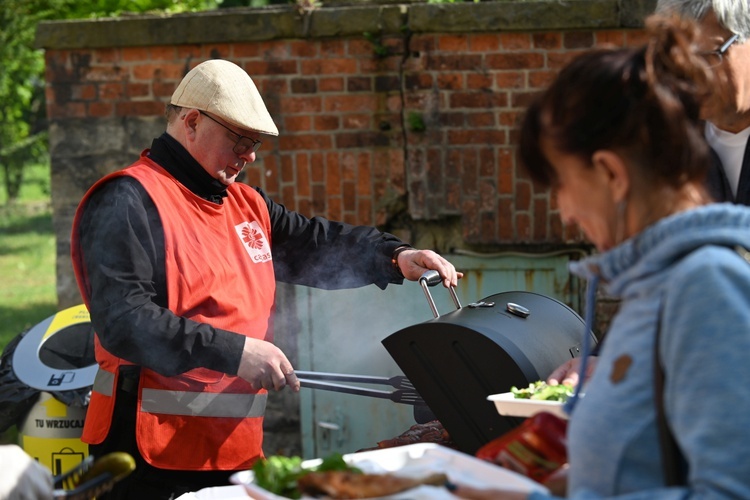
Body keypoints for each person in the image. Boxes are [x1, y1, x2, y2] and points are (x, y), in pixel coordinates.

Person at [69, 59, 462, 499]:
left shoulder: (246, 205)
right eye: (240, 140)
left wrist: (395, 255)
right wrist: (235, 351)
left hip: (232, 450)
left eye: (254, 143)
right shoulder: (127, 199)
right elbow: (124, 320)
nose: (250, 155)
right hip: (147, 457)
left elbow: (316, 245)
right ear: (193, 121)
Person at [454, 13, 750, 499]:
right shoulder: (663, 282)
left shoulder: (706, 285)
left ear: (612, 174)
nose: (565, 214)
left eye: (562, 186)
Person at [548, 0, 750, 387]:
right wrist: (606, 358)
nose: (690, 79)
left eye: (709, 55)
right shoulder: (669, 140)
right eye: (675, 64)